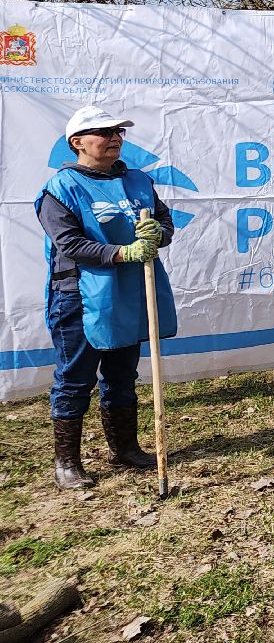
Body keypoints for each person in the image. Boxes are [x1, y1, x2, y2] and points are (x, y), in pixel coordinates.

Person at [36, 105, 177, 490]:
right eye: (103, 131)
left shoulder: (138, 181)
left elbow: (165, 222)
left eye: (118, 131)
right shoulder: (60, 189)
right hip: (79, 297)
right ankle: (67, 463)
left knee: (121, 375)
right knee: (75, 378)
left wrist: (157, 235)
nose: (114, 137)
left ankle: (125, 449)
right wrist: (121, 252)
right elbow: (69, 242)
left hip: (129, 292)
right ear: (77, 143)